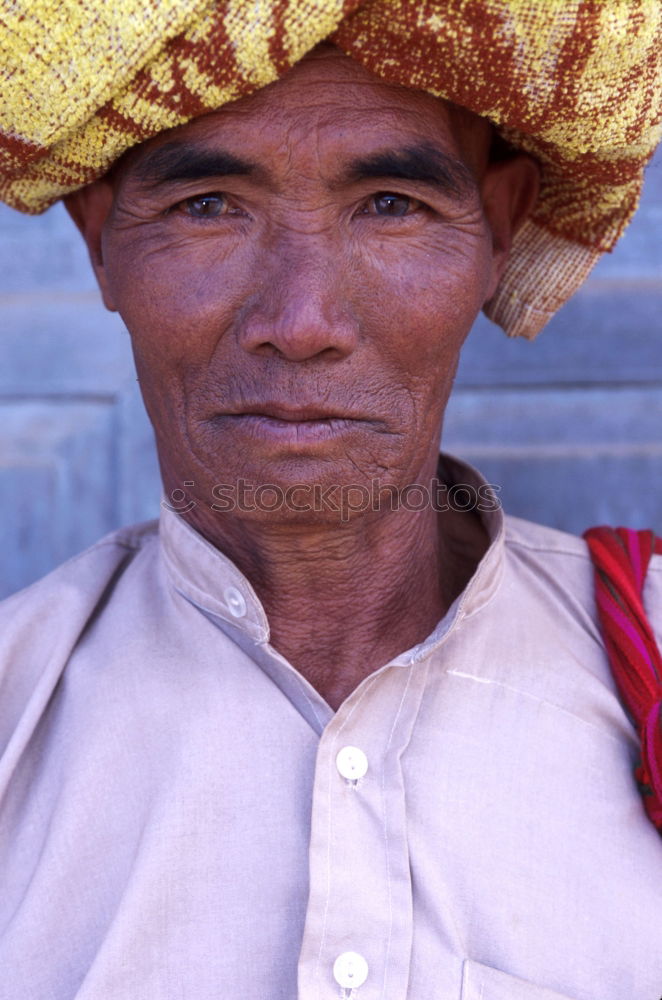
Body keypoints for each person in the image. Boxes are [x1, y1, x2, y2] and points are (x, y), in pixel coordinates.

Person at [0, 3, 660, 998]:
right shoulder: (14, 721)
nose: (300, 321)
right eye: (209, 205)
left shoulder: (641, 660)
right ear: (99, 239)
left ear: (498, 225)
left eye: (390, 204)